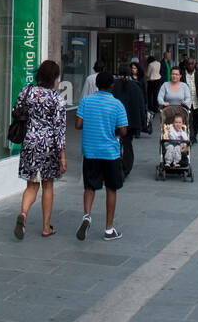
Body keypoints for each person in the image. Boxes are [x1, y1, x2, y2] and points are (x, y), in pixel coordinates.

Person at [14, 60, 67, 238]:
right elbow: (59, 128)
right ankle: (46, 227)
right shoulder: (56, 99)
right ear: (54, 78)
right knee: (48, 185)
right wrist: (63, 156)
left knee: (31, 184)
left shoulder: (26, 91)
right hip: (48, 145)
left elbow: (17, 110)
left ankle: (23, 214)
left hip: (29, 141)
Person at [75, 70, 127, 240]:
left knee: (89, 187)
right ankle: (109, 229)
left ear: (96, 84)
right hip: (110, 153)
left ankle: (87, 215)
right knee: (111, 188)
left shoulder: (86, 101)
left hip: (90, 151)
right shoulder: (117, 104)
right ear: (112, 85)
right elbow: (124, 130)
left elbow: (78, 124)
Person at [113, 62, 145, 178]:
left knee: (114, 142)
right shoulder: (135, 86)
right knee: (127, 144)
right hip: (130, 122)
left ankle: (115, 165)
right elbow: (141, 104)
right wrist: (142, 121)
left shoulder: (113, 86)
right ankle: (126, 168)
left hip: (114, 121)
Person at [179, 56, 198, 144]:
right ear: (186, 65)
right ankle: (191, 137)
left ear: (195, 64)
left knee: (197, 120)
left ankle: (195, 135)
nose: (190, 66)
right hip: (187, 102)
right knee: (188, 120)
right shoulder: (182, 74)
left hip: (197, 101)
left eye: (192, 64)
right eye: (188, 64)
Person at [145, 53, 163, 122]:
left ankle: (150, 107)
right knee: (155, 94)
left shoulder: (150, 64)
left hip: (151, 80)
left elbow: (148, 74)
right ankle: (156, 107)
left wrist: (145, 74)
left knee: (149, 94)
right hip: (158, 79)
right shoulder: (158, 63)